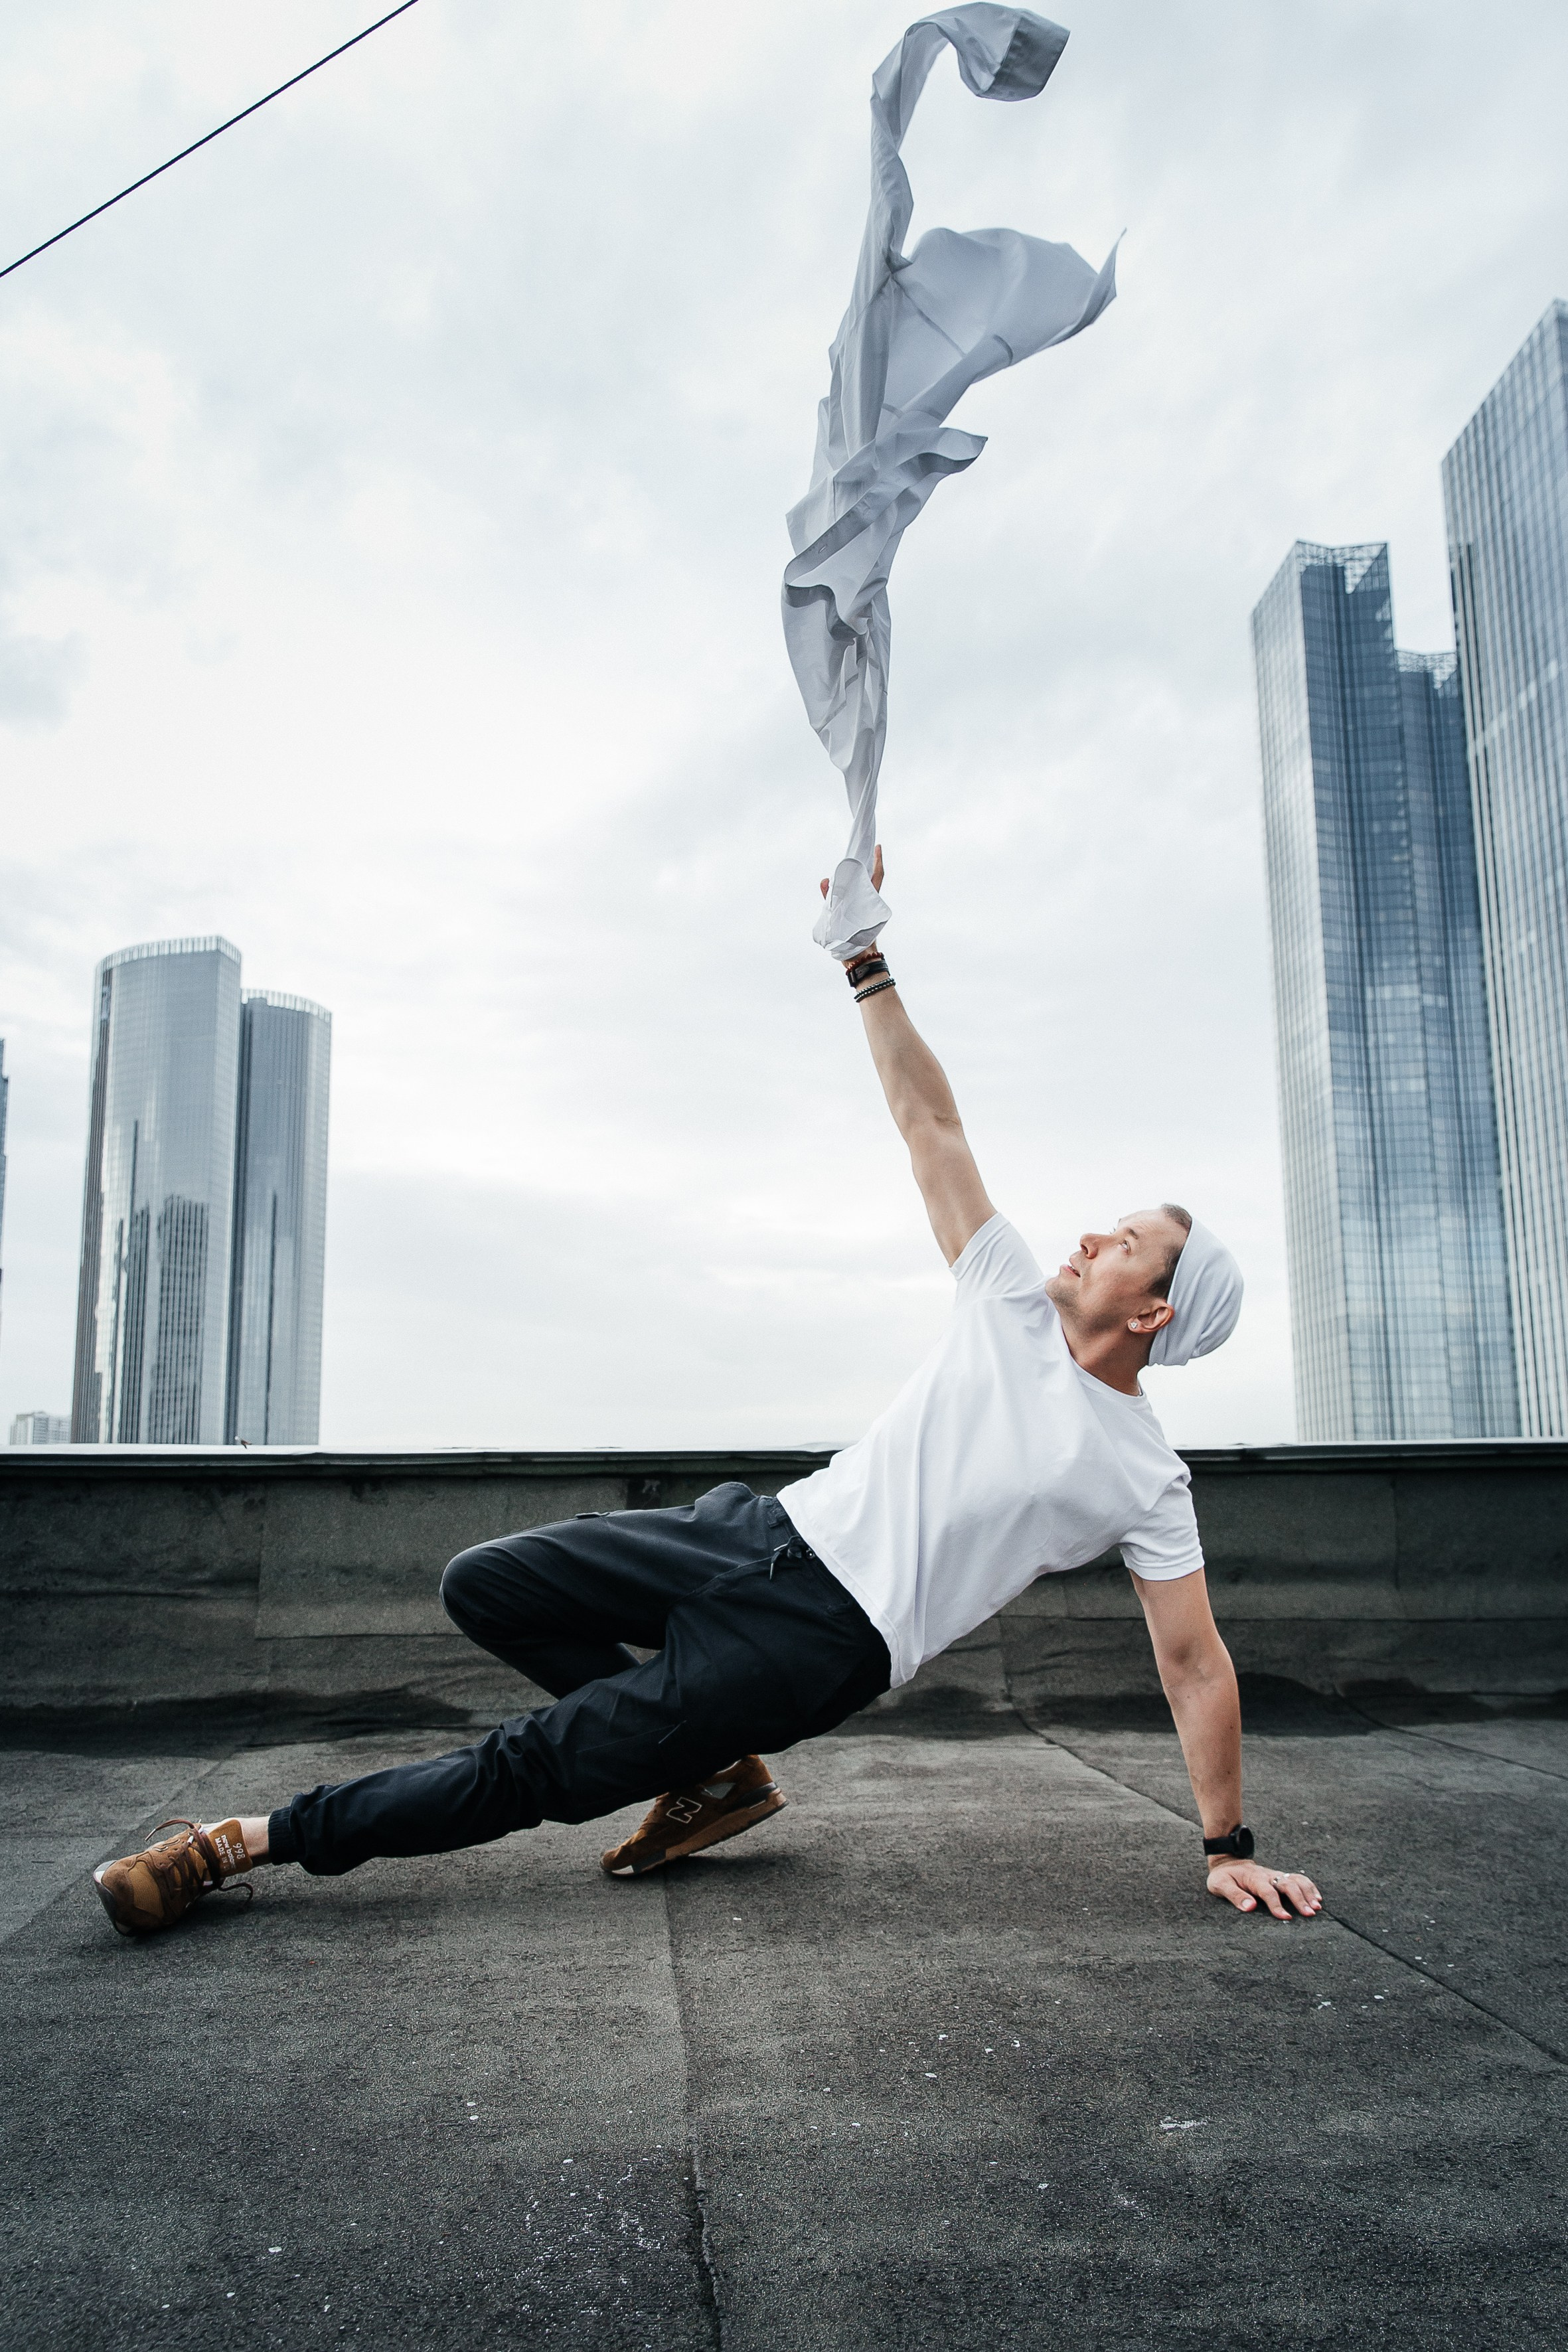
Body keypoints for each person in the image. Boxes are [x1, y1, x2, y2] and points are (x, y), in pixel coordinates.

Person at [93, 854, 1321, 1938]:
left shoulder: (1141, 1474)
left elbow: (1193, 1662)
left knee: (531, 1767)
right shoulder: (1004, 1296)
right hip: (757, 1531)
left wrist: (1228, 1849)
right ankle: (708, 1771)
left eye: (1122, 1243)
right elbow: (927, 1121)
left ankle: (238, 1844)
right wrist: (862, 955)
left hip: (816, 1644)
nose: (1089, 1236)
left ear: (1152, 1311)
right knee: (488, 1583)